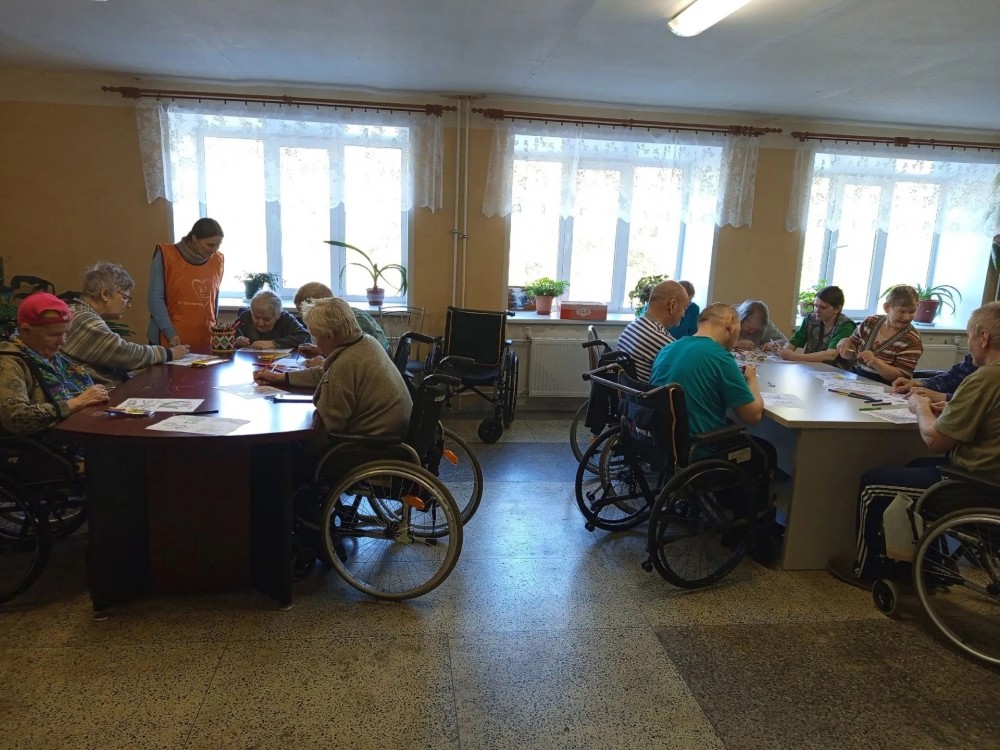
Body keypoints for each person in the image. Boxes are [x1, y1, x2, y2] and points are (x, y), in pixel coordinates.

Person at [830, 302, 1000, 587]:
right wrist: (944, 405)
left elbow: (935, 440)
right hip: (990, 478)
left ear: (983, 337)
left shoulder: (985, 377)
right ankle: (926, 563)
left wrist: (920, 407)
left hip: (975, 486)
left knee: (873, 483)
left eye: (969, 336)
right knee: (914, 465)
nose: (969, 344)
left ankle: (867, 570)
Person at [254, 297, 411, 441]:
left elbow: (327, 427)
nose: (314, 342)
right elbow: (325, 374)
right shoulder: (365, 341)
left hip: (368, 443)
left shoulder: (346, 364)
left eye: (314, 336)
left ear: (329, 336)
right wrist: (280, 377)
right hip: (391, 433)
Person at [61, 262, 189, 387]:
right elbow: (124, 353)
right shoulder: (83, 318)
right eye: (125, 298)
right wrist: (169, 354)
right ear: (105, 294)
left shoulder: (80, 312)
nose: (128, 305)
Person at [0, 293, 110, 435]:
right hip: (46, 443)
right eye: (54, 335)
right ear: (26, 330)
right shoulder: (8, 362)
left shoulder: (47, 354)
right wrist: (77, 403)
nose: (62, 341)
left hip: (80, 428)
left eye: (65, 333)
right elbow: (17, 419)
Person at [649, 302, 764, 435]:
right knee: (764, 446)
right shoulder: (720, 356)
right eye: (738, 331)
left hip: (660, 440)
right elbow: (752, 416)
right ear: (730, 321)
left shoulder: (666, 349)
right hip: (698, 443)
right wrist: (751, 378)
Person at [147, 218, 225, 352]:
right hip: (169, 339)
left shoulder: (218, 260)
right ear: (194, 238)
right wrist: (170, 332)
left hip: (204, 340)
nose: (214, 250)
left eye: (218, 245)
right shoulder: (166, 254)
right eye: (210, 245)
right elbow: (155, 299)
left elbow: (213, 300)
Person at [836, 284, 922, 384]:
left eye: (912, 312)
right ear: (887, 307)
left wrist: (875, 362)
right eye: (902, 311)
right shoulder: (870, 322)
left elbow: (902, 377)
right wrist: (844, 344)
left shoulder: (912, 340)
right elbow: (852, 351)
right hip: (858, 379)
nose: (907, 317)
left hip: (885, 387)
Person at [292, 282, 390, 363]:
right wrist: (322, 351)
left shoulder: (352, 324)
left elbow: (349, 365)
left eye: (303, 313)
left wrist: (322, 364)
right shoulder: (346, 314)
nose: (304, 318)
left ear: (319, 305)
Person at [616, 280, 690, 382]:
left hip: (626, 390)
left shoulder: (633, 326)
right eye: (684, 308)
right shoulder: (664, 342)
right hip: (647, 391)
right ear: (672, 305)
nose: (683, 314)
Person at [779, 285, 856, 364]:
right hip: (810, 367)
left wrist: (793, 356)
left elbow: (831, 355)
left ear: (837, 309)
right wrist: (784, 351)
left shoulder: (846, 325)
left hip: (835, 370)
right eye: (815, 305)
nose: (816, 310)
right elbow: (794, 342)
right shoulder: (810, 319)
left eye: (823, 307)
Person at [233, 290, 310, 350]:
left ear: (278, 315)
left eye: (266, 319)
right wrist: (236, 341)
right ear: (251, 312)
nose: (260, 323)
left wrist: (274, 344)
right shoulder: (244, 318)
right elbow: (227, 337)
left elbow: (306, 337)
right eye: (256, 317)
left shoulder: (286, 319)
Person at [890, 353, 978, 402]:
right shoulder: (974, 358)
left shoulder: (985, 370)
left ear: (983, 338)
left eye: (969, 336)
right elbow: (954, 377)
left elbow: (979, 402)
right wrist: (920, 384)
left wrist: (945, 397)